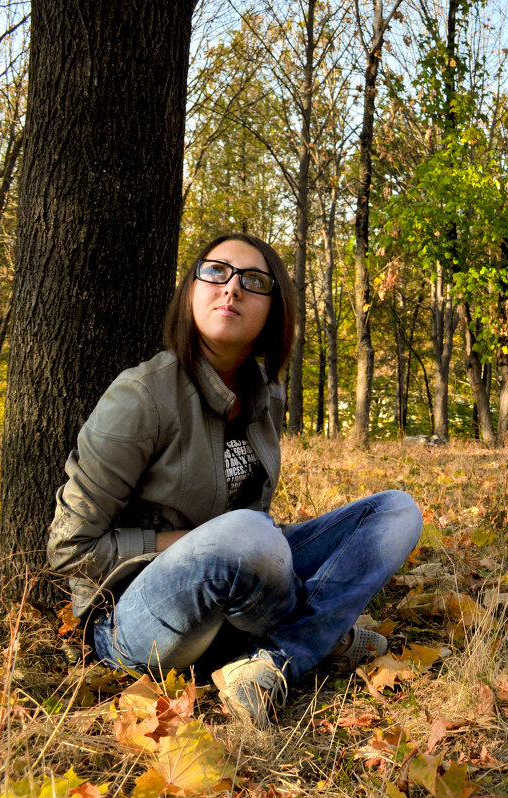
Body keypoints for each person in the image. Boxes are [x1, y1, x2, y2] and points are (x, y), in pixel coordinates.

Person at [47, 232, 422, 727]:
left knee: (396, 512)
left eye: (254, 281)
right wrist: (187, 543)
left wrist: (250, 544)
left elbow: (246, 526)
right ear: (190, 292)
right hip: (134, 620)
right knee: (249, 534)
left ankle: (272, 660)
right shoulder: (140, 397)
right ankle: (321, 636)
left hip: (233, 584)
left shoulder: (264, 399)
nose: (232, 288)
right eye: (216, 271)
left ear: (274, 310)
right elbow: (67, 551)